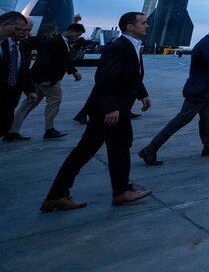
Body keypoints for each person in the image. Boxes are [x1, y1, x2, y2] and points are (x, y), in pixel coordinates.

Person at [40, 11, 153, 212]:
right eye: (143, 23)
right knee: (118, 148)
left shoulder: (133, 46)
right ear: (129, 27)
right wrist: (110, 108)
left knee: (85, 151)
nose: (147, 26)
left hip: (111, 108)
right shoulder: (118, 47)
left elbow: (132, 75)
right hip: (110, 110)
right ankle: (121, 192)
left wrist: (141, 94)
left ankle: (56, 195)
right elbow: (105, 78)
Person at [138, 21, 209, 165]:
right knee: (183, 118)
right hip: (200, 90)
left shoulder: (203, 42)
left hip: (204, 90)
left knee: (208, 117)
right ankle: (151, 148)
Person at [8, 22, 83, 141]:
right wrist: (49, 79)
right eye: (76, 35)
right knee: (54, 102)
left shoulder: (61, 41)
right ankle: (49, 129)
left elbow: (63, 61)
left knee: (28, 103)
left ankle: (12, 130)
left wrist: (73, 71)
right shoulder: (55, 41)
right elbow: (44, 60)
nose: (76, 38)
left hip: (39, 78)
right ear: (71, 31)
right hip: (48, 79)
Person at [2, 12, 39, 140]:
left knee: (5, 126)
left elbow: (24, 70)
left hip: (11, 95)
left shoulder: (25, 46)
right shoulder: (3, 43)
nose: (24, 33)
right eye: (20, 29)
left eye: (28, 30)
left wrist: (30, 91)